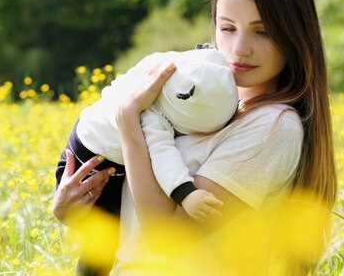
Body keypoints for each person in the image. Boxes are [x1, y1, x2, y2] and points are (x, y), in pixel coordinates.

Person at [52, 0, 337, 276]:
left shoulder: (273, 126)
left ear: (294, 36)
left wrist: (129, 118)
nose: (240, 48)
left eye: (263, 32)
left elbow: (166, 239)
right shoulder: (200, 108)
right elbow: (133, 223)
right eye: (228, 28)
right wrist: (75, 213)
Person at [54, 48, 238, 276]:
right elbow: (164, 159)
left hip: (85, 137)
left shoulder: (162, 67)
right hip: (92, 163)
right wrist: (186, 194)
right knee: (103, 244)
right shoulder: (151, 118)